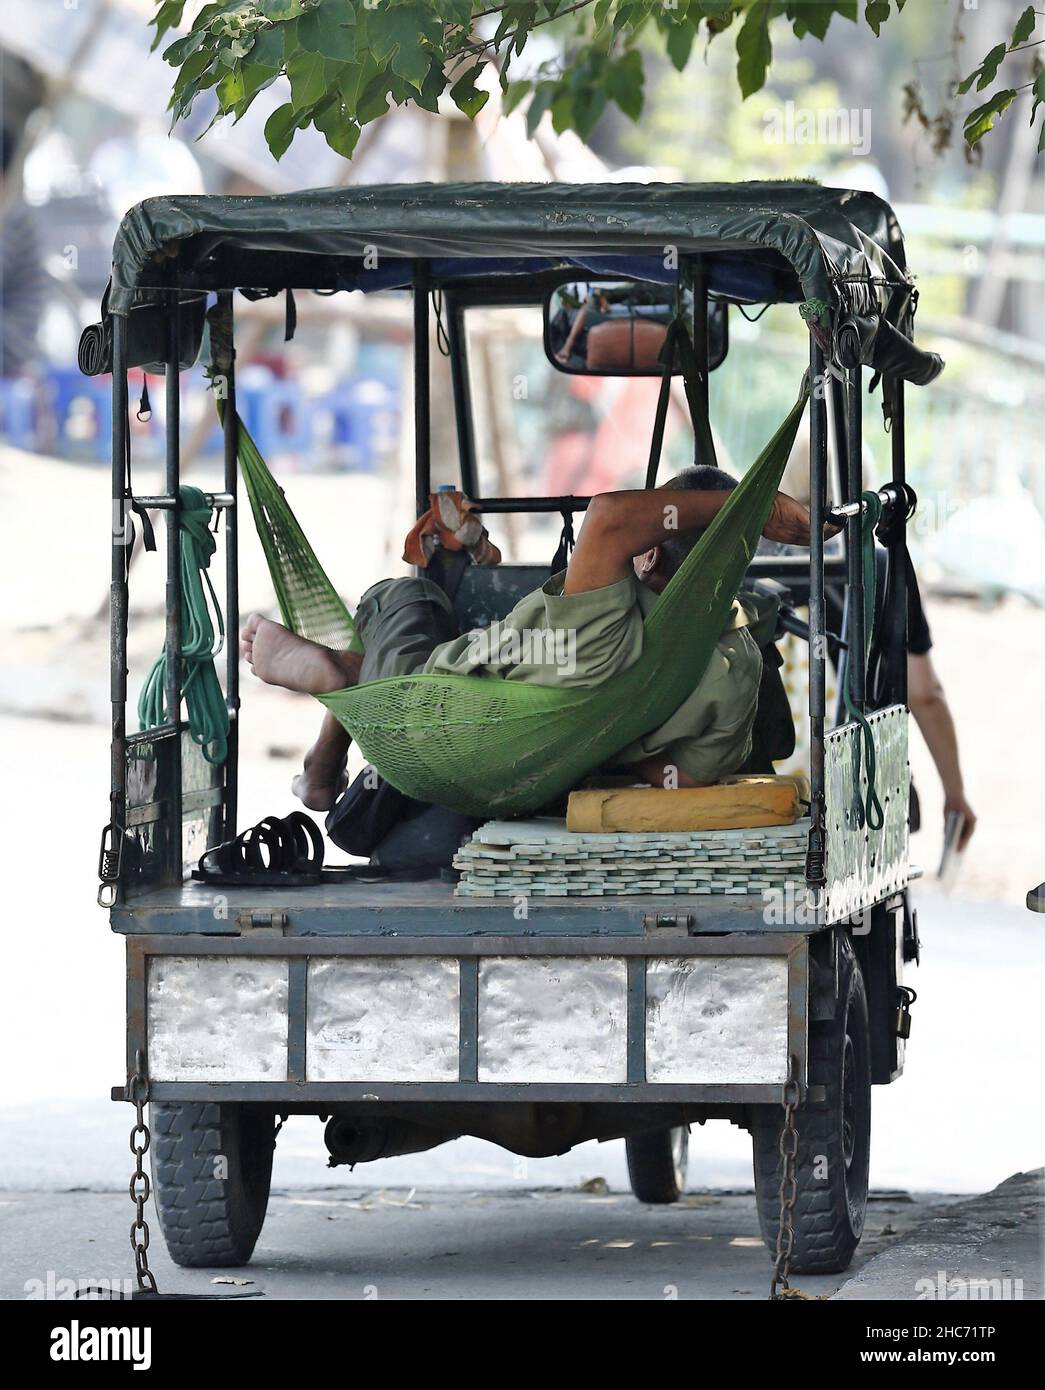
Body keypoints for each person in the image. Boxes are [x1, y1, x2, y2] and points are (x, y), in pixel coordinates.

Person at [241, 470, 818, 811]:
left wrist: (755, 506)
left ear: (646, 555)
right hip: (534, 782)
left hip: (429, 723)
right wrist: (605, 752)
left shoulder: (604, 615)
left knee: (410, 600)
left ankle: (340, 701)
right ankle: (347, 688)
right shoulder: (740, 662)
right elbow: (686, 780)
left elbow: (609, 515)